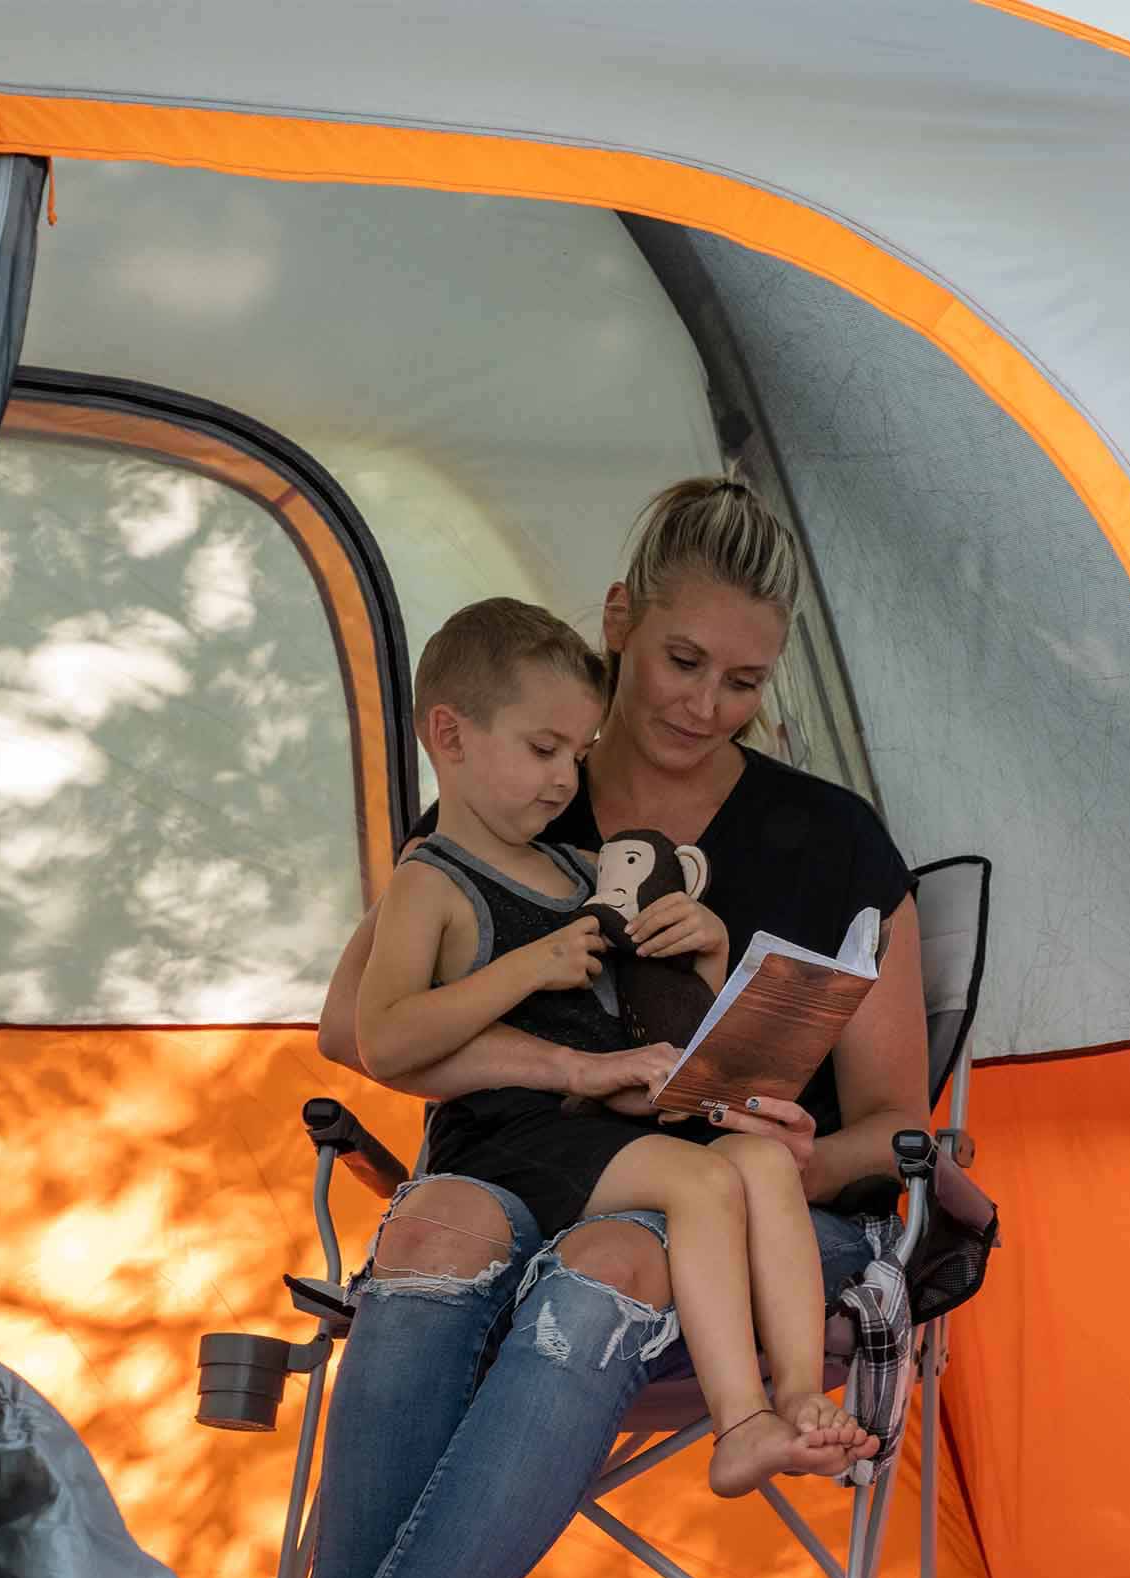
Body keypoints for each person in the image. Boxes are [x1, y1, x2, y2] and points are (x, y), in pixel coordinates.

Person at [233, 478, 926, 1578]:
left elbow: (897, 1122)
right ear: (618, 621)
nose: (703, 705)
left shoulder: (830, 840)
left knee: (612, 1254)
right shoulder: (518, 793)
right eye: (679, 661)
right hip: (523, 1166)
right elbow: (358, 1026)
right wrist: (563, 1059)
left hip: (746, 1208)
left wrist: (806, 1152)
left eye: (743, 681)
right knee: (434, 1224)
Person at [352, 595, 874, 1498]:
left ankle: (794, 1394)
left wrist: (698, 981)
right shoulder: (426, 881)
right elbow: (380, 1035)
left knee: (759, 1161)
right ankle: (740, 1420)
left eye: (578, 753)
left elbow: (614, 1021)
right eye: (543, 750)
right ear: (449, 734)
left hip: (593, 1122)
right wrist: (531, 968)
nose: (564, 780)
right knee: (703, 1179)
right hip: (510, 1145)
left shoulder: (570, 870)